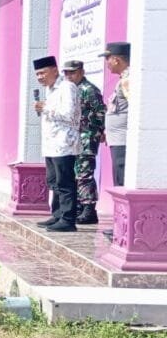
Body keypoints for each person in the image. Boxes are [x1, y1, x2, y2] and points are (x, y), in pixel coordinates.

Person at [33, 56, 81, 232]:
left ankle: (68, 219)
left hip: (64, 143)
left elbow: (70, 114)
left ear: (55, 70)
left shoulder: (67, 87)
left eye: (43, 72)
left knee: (65, 182)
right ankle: (58, 215)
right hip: (51, 144)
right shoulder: (51, 90)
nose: (40, 77)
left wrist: (45, 108)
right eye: (37, 74)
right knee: (53, 181)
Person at [61, 61, 105, 224]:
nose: (69, 76)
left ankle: (89, 209)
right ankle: (79, 206)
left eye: (72, 73)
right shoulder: (67, 91)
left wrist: (99, 131)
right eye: (66, 73)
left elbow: (100, 111)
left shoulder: (89, 90)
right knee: (74, 173)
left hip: (87, 136)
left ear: (81, 72)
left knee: (84, 174)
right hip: (73, 138)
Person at [101, 42, 130, 187]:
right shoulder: (122, 79)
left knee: (121, 178)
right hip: (117, 139)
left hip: (123, 140)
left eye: (108, 58)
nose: (107, 63)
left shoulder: (127, 80)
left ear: (116, 60)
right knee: (118, 177)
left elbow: (135, 107)